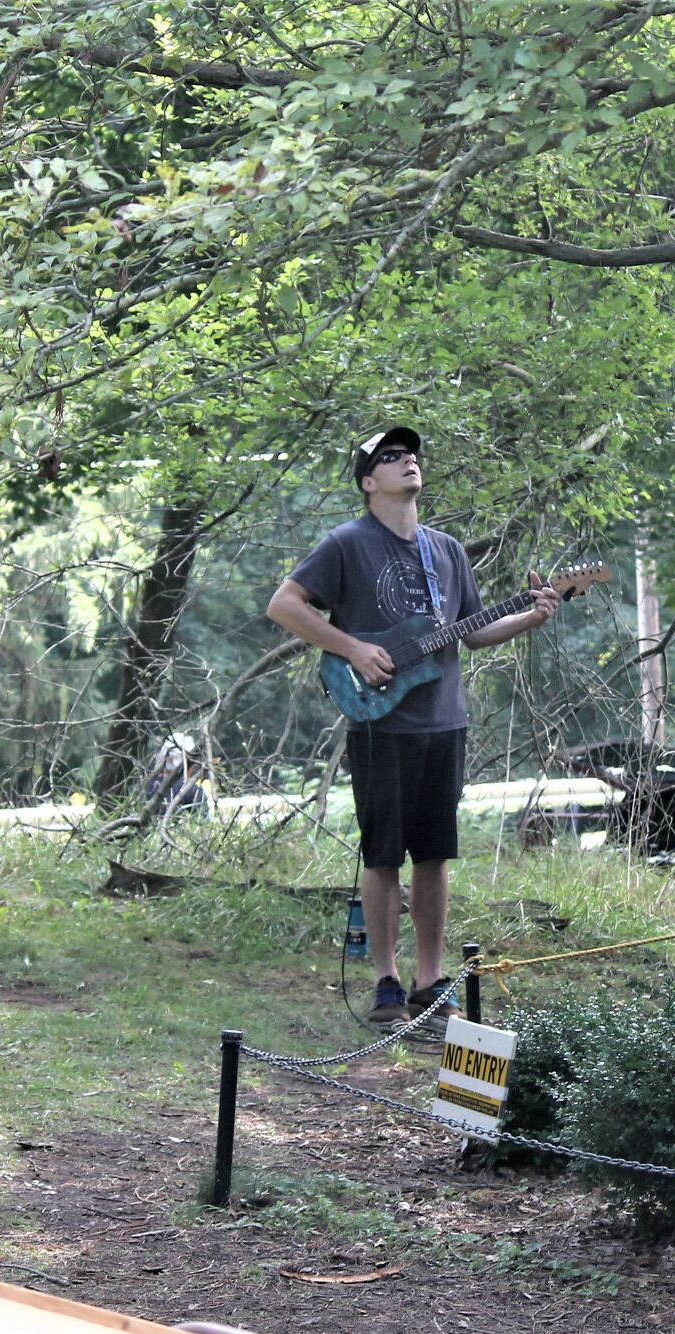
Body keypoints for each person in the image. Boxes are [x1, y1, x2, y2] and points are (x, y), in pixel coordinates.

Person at [266, 425, 560, 1028]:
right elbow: (284, 605)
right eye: (391, 457)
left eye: (412, 455)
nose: (408, 462)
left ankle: (430, 981)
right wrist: (352, 648)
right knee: (382, 857)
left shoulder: (445, 551)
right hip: (381, 724)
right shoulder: (346, 544)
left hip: (443, 722)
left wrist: (530, 617)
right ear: (368, 482)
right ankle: (386, 984)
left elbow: (472, 631)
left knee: (434, 854)